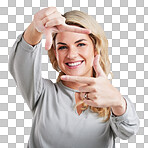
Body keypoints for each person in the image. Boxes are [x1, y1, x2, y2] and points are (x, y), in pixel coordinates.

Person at [9, 7, 140, 148]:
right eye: (62, 47)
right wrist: (35, 28)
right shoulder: (42, 93)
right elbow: (21, 60)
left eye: (81, 44)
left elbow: (128, 131)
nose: (71, 55)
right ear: (55, 52)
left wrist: (118, 102)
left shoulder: (107, 98)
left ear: (95, 48)